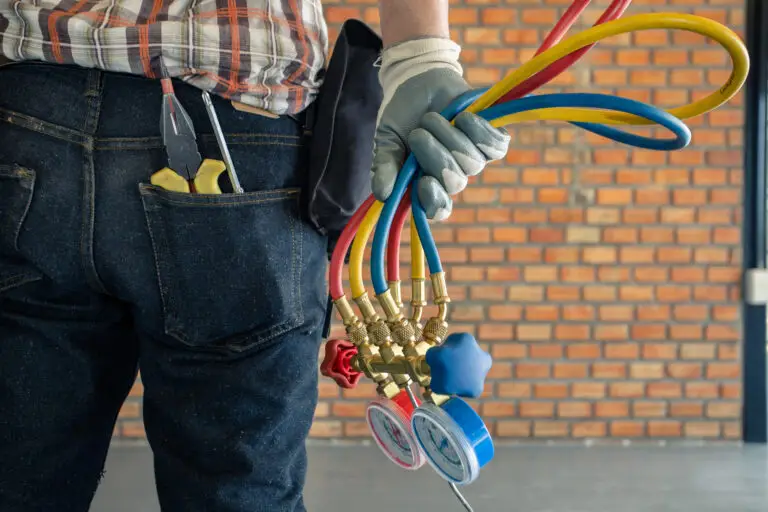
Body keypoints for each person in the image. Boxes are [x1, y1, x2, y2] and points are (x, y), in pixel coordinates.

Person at [0, 0, 510, 510]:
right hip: (238, 103)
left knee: (18, 475)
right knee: (238, 491)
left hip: (28, 116)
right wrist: (420, 55)